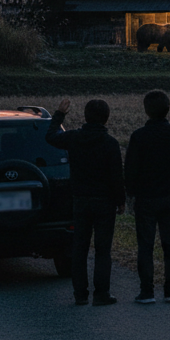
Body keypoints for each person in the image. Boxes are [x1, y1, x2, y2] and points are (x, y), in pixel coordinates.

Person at [46, 97, 125, 306]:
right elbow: (117, 176)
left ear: (85, 117)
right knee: (102, 250)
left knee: (79, 248)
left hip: (80, 201)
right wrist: (121, 201)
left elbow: (51, 136)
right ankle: (101, 294)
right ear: (106, 119)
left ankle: (80, 294)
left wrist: (60, 114)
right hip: (105, 202)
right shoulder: (110, 144)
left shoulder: (73, 138)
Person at [124, 86, 170, 304]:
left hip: (145, 199)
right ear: (167, 110)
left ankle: (147, 291)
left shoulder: (139, 136)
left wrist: (128, 195)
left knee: (145, 246)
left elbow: (130, 169)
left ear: (146, 111)